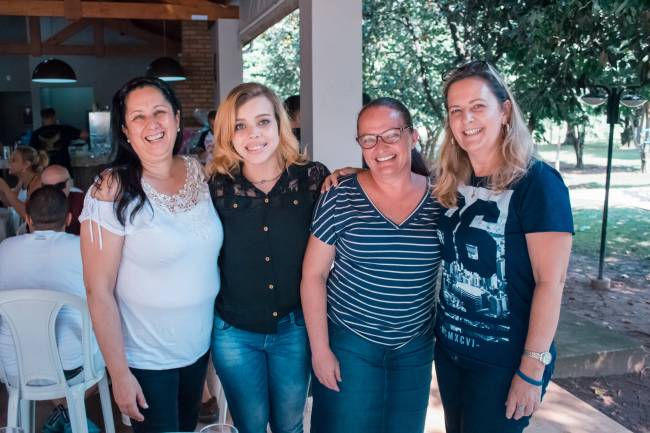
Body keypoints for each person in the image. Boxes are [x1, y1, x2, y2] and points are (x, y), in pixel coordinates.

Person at [433, 60, 573, 433]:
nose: (466, 119)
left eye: (478, 106)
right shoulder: (449, 181)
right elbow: (397, 179)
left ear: (505, 110)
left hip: (504, 361)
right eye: (456, 110)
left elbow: (552, 282)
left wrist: (532, 368)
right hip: (450, 352)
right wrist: (355, 175)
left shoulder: (538, 183)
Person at [79, 76, 224, 433]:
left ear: (176, 119)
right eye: (138, 117)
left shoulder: (199, 171)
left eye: (159, 112)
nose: (152, 124)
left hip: (198, 348)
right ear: (126, 131)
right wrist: (119, 374)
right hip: (147, 358)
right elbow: (99, 291)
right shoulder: (111, 189)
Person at [301, 97, 441, 433]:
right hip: (351, 343)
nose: (380, 147)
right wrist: (320, 351)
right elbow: (313, 275)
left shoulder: (442, 198)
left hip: (414, 347)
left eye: (391, 135)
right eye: (368, 139)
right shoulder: (340, 195)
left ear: (413, 136)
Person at [206, 82, 329, 433]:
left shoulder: (312, 178)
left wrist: (355, 173)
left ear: (279, 123)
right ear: (228, 134)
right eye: (240, 126)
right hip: (234, 332)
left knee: (290, 425)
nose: (253, 135)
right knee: (251, 426)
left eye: (262, 121)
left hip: (294, 328)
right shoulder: (216, 186)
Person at [0, 185, 102, 433]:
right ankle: (69, 415)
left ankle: (63, 414)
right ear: (68, 219)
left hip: (13, 368)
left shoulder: (4, 249)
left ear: (28, 219)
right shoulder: (84, 249)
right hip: (72, 369)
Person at [30, 107, 87, 172]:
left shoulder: (35, 134)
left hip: (44, 170)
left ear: (42, 118)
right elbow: (84, 134)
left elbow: (32, 154)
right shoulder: (64, 129)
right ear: (54, 116)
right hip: (63, 168)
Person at [0, 145, 48, 220]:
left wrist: (5, 188)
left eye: (13, 160)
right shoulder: (22, 180)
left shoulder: (37, 183)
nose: (9, 162)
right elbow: (10, 202)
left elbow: (28, 215)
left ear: (26, 165)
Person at [41, 164, 84, 235]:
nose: (54, 191)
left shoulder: (82, 201)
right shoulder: (36, 204)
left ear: (69, 183)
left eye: (59, 186)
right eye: (48, 188)